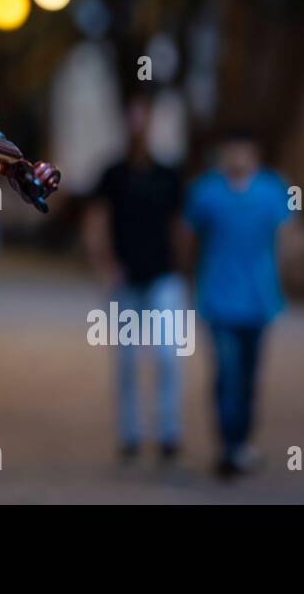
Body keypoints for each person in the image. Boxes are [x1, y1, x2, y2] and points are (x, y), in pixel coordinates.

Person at [180, 126, 304, 478]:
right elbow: (186, 237)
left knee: (249, 376)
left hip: (260, 300)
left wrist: (283, 270)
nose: (237, 158)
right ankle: (228, 446)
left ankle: (242, 441)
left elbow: (290, 236)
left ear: (255, 155)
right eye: (231, 151)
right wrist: (188, 278)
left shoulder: (271, 190)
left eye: (243, 151)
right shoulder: (206, 192)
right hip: (218, 300)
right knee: (226, 373)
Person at [83, 92, 186, 463]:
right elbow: (96, 223)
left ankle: (168, 432)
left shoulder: (169, 175)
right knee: (126, 362)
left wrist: (183, 267)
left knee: (168, 357)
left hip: (163, 279)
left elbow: (179, 227)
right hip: (125, 282)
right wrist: (105, 265)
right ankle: (129, 434)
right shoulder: (112, 174)